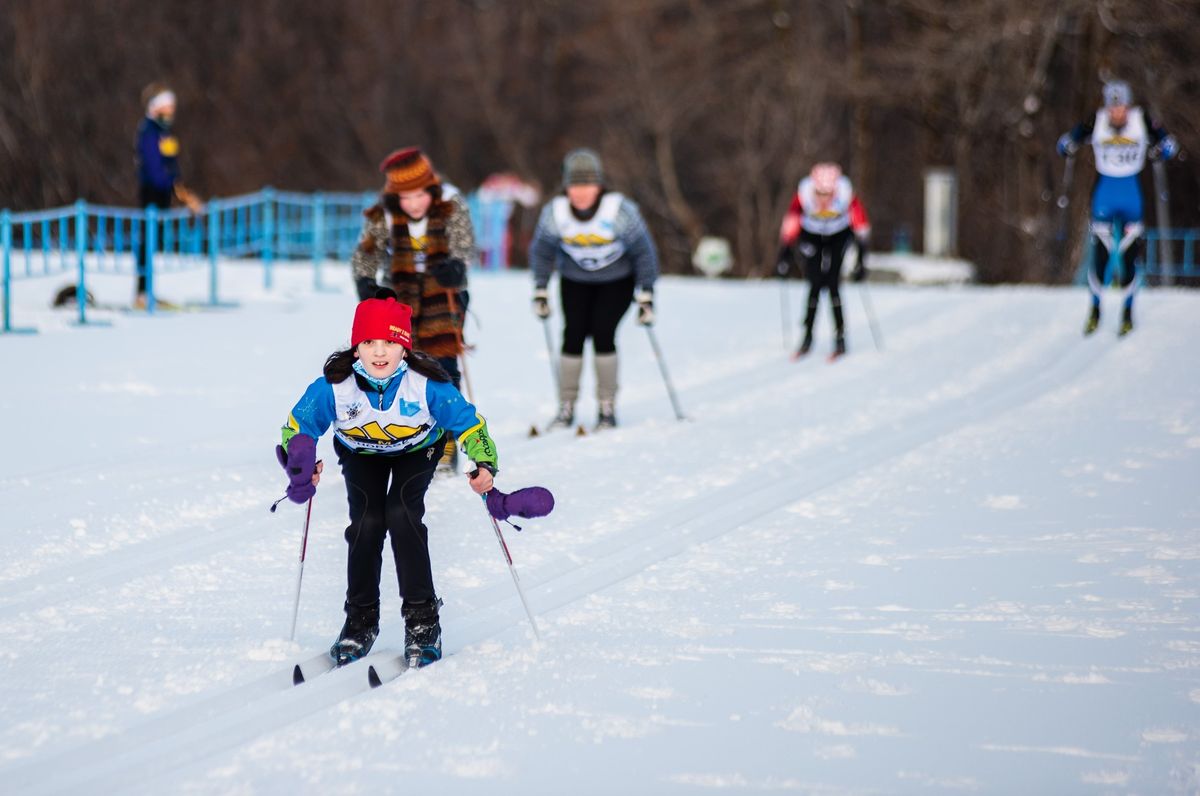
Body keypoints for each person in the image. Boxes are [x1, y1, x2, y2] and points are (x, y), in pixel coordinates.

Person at [276, 289, 499, 668]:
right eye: (369, 342)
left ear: (404, 346)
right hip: (361, 453)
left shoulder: (424, 383)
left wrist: (484, 462)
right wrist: (300, 464)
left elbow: (468, 421)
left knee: (401, 514)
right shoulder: (335, 385)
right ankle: (360, 620)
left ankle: (423, 622)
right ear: (356, 347)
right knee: (367, 522)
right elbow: (297, 427)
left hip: (418, 450)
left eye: (389, 342)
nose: (379, 352)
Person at [350, 147, 475, 472]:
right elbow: (365, 252)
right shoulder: (385, 213)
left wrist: (457, 268)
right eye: (405, 198)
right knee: (398, 365)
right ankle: (402, 434)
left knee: (443, 366)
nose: (414, 204)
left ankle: (446, 441)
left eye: (419, 195)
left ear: (430, 189)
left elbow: (464, 245)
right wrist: (365, 282)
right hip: (400, 294)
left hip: (442, 291)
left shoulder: (450, 204)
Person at [528, 148, 660, 429]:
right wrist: (540, 289)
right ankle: (566, 406)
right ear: (566, 186)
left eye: (587, 185)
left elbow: (644, 252)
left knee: (603, 331)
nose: (581, 193)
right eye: (575, 185)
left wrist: (646, 294)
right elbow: (542, 251)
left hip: (617, 280)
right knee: (572, 334)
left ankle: (606, 406)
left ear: (599, 185)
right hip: (575, 279)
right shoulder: (556, 212)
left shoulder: (619, 210)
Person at [1057, 80, 1178, 336]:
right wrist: (1067, 145)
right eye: (1112, 108)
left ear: (1127, 104)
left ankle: (1127, 313)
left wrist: (1162, 150)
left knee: (1128, 258)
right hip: (1104, 196)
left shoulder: (1142, 119)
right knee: (1101, 257)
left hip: (1131, 196)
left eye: (1120, 107)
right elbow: (1071, 139)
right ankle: (1095, 310)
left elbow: (1169, 143)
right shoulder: (1097, 120)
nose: (1116, 113)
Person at [776, 162, 870, 360]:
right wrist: (784, 253)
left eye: (828, 194)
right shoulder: (803, 194)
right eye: (819, 194)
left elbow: (861, 226)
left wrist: (861, 259)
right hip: (812, 236)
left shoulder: (845, 194)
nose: (824, 199)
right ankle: (807, 336)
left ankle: (840, 337)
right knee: (815, 283)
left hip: (838, 235)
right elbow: (791, 223)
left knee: (833, 283)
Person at [133, 82, 203, 308]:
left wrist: (179, 188)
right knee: (148, 240)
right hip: (152, 192)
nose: (172, 112)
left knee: (156, 241)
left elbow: (171, 165)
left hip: (164, 192)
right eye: (168, 108)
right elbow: (155, 169)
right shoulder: (149, 132)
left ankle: (148, 291)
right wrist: (174, 186)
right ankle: (142, 293)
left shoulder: (164, 132)